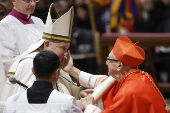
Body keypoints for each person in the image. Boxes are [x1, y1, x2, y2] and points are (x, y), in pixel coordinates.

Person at [62, 36, 170, 113]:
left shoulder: (129, 90)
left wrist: (89, 106)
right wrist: (71, 70)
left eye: (108, 59)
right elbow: (103, 81)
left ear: (119, 66)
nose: (106, 62)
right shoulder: (135, 75)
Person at [3, 50, 82, 113]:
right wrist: (89, 107)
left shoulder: (12, 101)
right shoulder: (67, 102)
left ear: (33, 70)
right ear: (57, 72)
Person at [0, 0, 44, 74]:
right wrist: (42, 61)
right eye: (27, 0)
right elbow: (8, 62)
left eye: (34, 0)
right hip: (24, 78)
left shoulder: (38, 21)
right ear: (14, 1)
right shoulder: (5, 25)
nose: (33, 4)